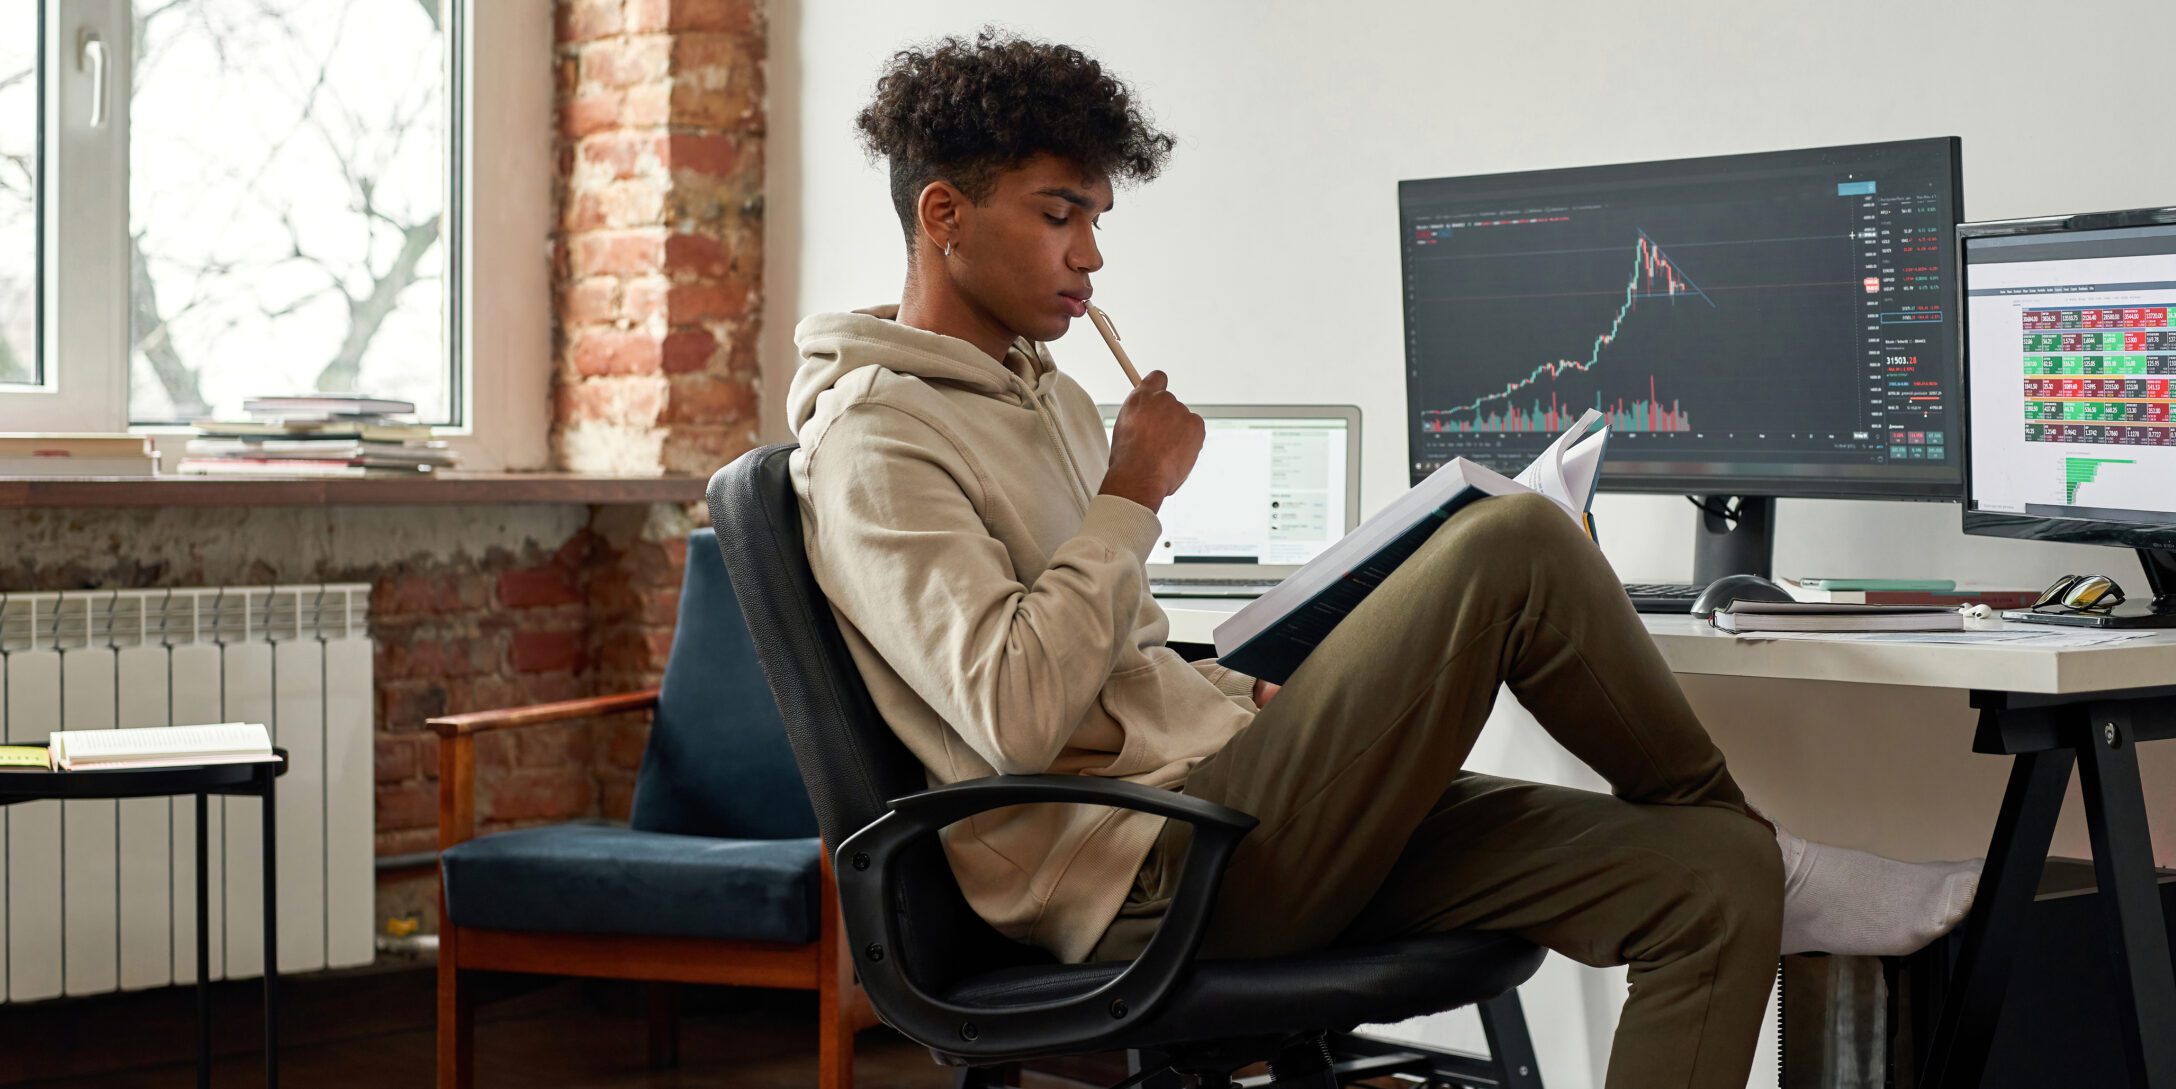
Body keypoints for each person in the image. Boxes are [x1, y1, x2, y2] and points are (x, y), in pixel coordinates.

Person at [785, 30, 1980, 1089]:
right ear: (943, 216)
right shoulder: (878, 441)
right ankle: (1780, 848)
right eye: (1059, 214)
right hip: (1152, 879)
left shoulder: (1038, 396)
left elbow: (1112, 665)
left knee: (1710, 882)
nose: (1090, 254)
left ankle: (1759, 855)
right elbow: (1013, 713)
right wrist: (1131, 496)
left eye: (1097, 217)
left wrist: (1223, 686)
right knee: (1509, 537)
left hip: (1229, 807)